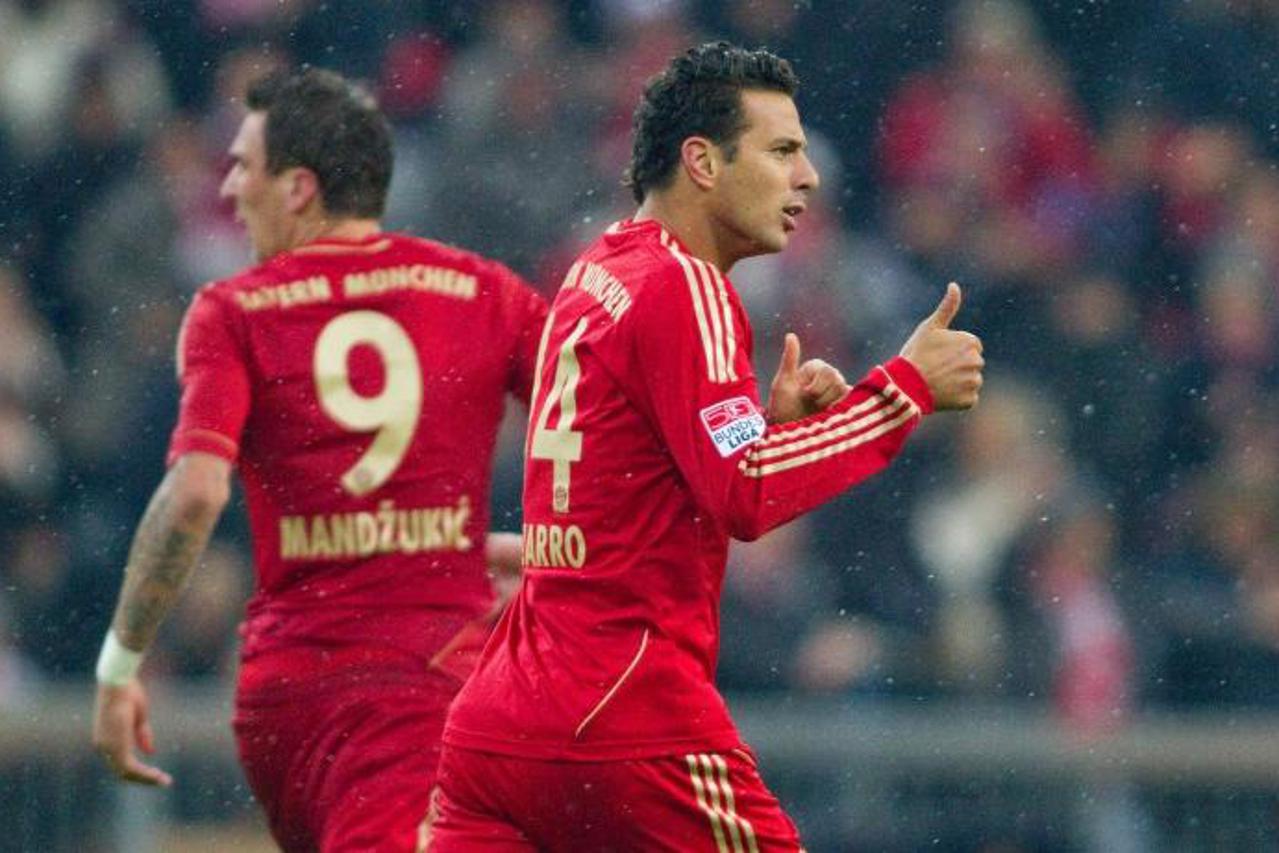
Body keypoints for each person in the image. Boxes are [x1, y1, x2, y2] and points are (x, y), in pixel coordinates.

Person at [429, 43, 984, 851]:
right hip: (620, 708)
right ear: (701, 162)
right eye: (781, 150)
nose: (808, 177)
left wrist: (772, 427)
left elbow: (651, 475)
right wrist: (903, 390)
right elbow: (746, 492)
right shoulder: (687, 285)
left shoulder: (599, 268)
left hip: (501, 718)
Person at [90, 68, 548, 852]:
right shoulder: (484, 292)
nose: (230, 188)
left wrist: (119, 661)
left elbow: (196, 492)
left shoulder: (231, 310)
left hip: (286, 701)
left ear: (299, 187)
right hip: (422, 686)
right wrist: (558, 554)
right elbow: (607, 421)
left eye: (243, 165)